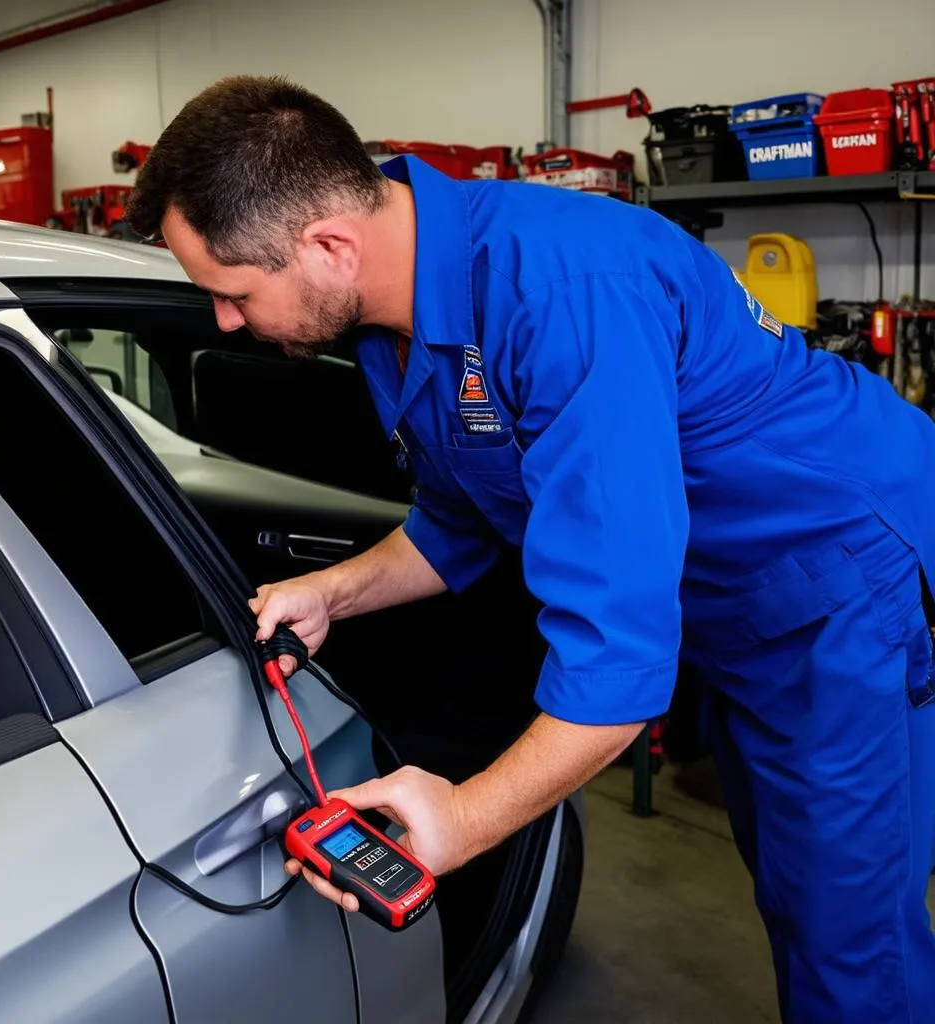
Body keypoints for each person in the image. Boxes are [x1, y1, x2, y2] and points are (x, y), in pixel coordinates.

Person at [125, 75, 935, 1023]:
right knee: (792, 873)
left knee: (845, 926)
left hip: (834, 574)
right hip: (725, 591)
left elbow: (617, 671)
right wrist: (334, 593)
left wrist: (462, 822)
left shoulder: (562, 298)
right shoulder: (397, 313)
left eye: (232, 295)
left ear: (328, 247)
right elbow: (463, 519)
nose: (225, 323)